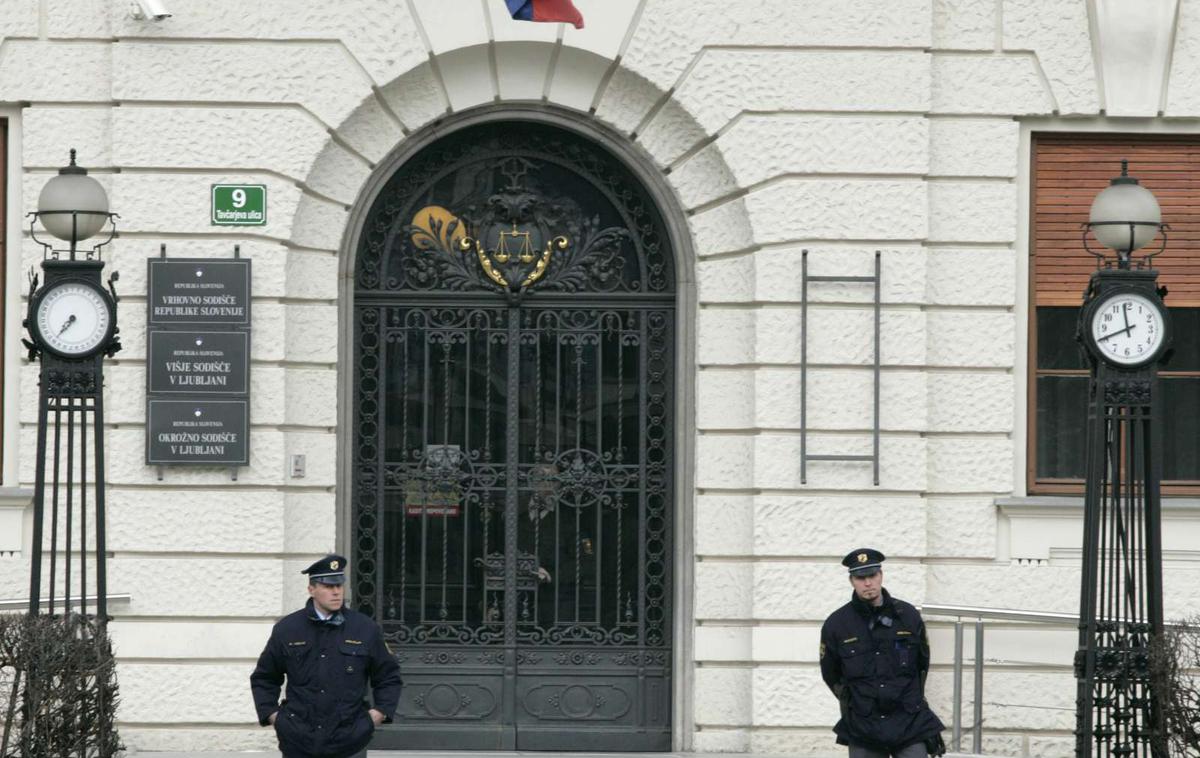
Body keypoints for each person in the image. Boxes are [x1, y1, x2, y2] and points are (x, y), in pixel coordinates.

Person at [250, 554, 402, 758]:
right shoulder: (287, 630)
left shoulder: (365, 629)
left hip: (350, 741)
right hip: (298, 740)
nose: (336, 592)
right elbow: (264, 678)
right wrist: (274, 716)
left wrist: (376, 715)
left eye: (339, 585)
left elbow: (389, 677)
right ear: (311, 589)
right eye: (328, 586)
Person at [820, 548, 946, 758]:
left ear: (881, 575)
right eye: (861, 577)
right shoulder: (837, 624)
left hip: (908, 721)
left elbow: (922, 664)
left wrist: (910, 698)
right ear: (852, 581)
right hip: (863, 724)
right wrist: (854, 701)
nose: (868, 583)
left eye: (872, 575)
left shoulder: (907, 616)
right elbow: (830, 673)